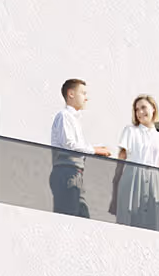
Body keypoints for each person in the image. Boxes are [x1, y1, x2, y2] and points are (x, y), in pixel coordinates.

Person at [41, 77, 110, 217]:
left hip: (75, 173)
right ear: (71, 94)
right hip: (66, 172)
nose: (86, 98)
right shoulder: (64, 116)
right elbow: (69, 145)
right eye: (83, 93)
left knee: (81, 215)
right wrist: (95, 150)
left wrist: (95, 149)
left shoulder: (72, 119)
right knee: (70, 216)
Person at [114, 93, 159, 228]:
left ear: (153, 108)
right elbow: (121, 157)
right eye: (136, 110)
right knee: (129, 219)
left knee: (150, 222)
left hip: (153, 181)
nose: (140, 112)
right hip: (132, 176)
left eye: (143, 107)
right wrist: (115, 185)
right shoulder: (130, 131)